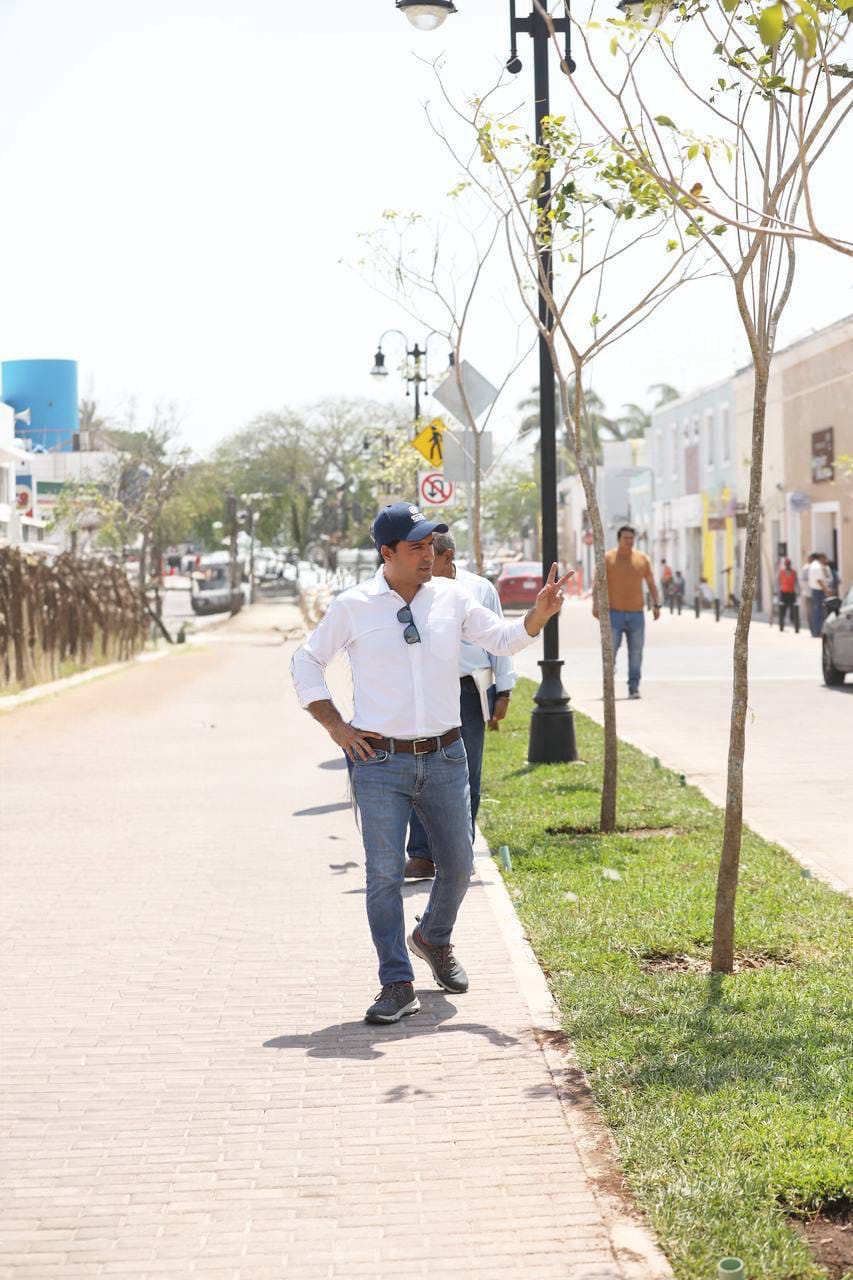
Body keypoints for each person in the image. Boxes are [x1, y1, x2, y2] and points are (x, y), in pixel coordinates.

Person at [290, 502, 572, 1025]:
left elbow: (504, 640)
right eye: (417, 547)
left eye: (431, 546)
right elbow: (305, 661)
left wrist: (539, 614)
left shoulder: (452, 598)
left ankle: (433, 937)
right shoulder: (353, 606)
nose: (429, 555)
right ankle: (396, 981)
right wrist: (336, 726)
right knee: (383, 874)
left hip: (446, 755)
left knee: (460, 866)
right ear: (387, 552)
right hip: (378, 762)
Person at [404, 531, 515, 881]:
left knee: (468, 774)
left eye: (427, 553)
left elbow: (502, 640)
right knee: (420, 773)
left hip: (468, 692)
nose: (421, 560)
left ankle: (459, 854)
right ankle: (421, 855)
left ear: (447, 556)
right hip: (425, 692)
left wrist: (504, 690)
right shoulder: (413, 591)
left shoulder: (479, 589)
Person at [593, 525, 661, 700]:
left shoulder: (642, 559)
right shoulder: (608, 558)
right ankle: (608, 688)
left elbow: (651, 583)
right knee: (610, 652)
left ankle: (634, 687)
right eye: (626, 538)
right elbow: (598, 583)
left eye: (631, 538)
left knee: (636, 653)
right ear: (619, 539)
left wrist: (656, 604)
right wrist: (595, 604)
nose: (629, 541)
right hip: (614, 614)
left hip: (637, 614)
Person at [807, 552, 830, 637]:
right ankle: (818, 631)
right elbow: (819, 580)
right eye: (824, 558)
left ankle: (815, 631)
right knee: (819, 612)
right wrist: (826, 590)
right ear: (821, 558)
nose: (825, 560)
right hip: (818, 591)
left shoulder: (813, 565)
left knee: (816, 611)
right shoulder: (817, 566)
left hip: (815, 590)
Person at [777, 558, 799, 632]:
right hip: (783, 593)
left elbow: (796, 582)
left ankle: (795, 625)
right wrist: (776, 594)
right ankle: (781, 626)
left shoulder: (794, 572)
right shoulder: (781, 572)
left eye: (788, 564)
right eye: (786, 564)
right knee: (782, 611)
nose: (787, 565)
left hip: (791, 593)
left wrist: (798, 592)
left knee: (793, 611)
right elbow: (778, 582)